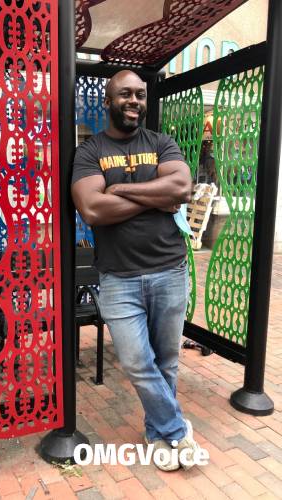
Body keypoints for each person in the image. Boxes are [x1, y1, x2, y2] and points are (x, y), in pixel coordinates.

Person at [71, 70, 205, 472]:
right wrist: (154, 197)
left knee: (166, 360)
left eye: (140, 95)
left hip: (169, 270)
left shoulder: (161, 142)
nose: (134, 100)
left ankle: (157, 434)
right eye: (125, 94)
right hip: (118, 278)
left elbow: (181, 188)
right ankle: (179, 431)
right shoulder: (90, 151)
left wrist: (121, 190)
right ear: (109, 100)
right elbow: (92, 209)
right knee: (135, 361)